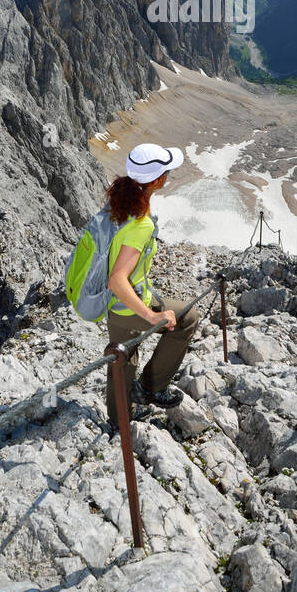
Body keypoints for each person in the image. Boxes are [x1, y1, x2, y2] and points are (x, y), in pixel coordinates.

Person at [105, 142, 198, 425]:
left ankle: (119, 418)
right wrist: (152, 315)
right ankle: (151, 387)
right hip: (128, 305)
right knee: (186, 319)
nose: (168, 176)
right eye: (166, 172)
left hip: (113, 309)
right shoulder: (141, 224)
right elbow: (117, 279)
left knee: (123, 358)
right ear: (156, 180)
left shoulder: (118, 202)